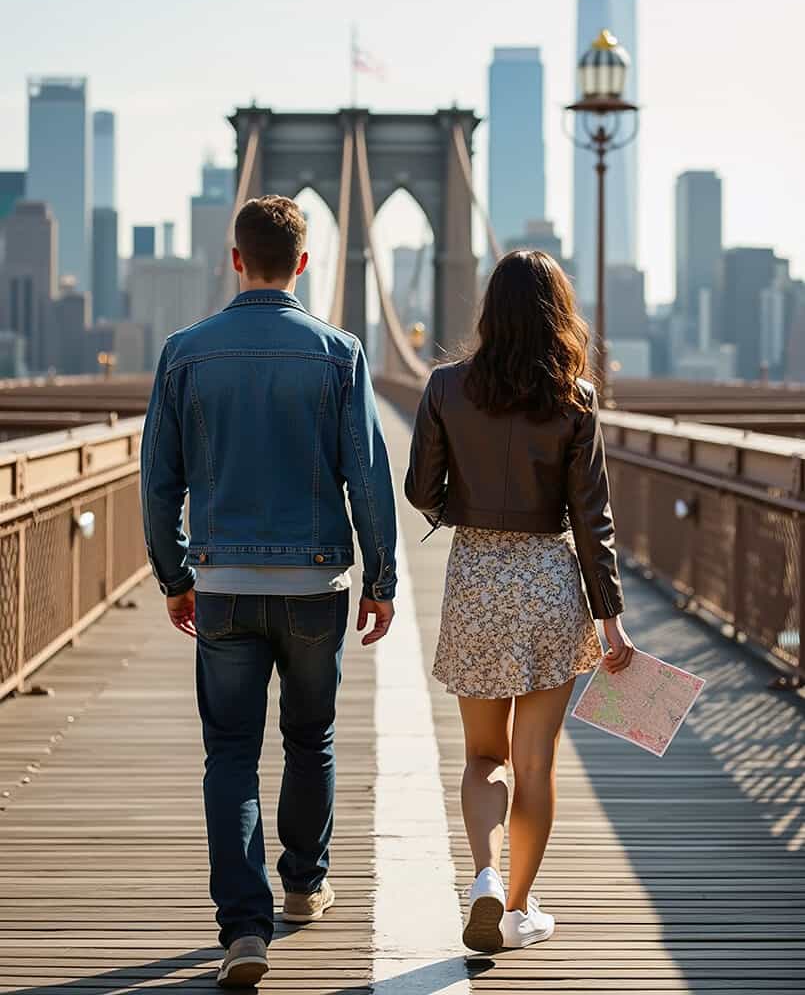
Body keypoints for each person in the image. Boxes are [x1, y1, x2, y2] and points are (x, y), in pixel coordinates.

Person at [140, 196, 397, 988]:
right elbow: (367, 475)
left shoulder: (185, 352)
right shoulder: (339, 352)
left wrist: (175, 575)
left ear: (235, 259)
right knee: (309, 738)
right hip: (316, 582)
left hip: (220, 585)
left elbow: (158, 483)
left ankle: (243, 931)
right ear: (305, 263)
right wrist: (380, 579)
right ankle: (303, 886)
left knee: (229, 752)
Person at [404, 250, 633, 954]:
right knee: (535, 763)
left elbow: (419, 489)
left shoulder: (444, 386)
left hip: (475, 580)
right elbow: (591, 519)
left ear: (489, 311)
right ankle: (520, 908)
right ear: (557, 315)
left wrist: (461, 509)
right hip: (546, 586)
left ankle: (483, 878)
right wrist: (611, 620)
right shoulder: (577, 397)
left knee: (482, 757)